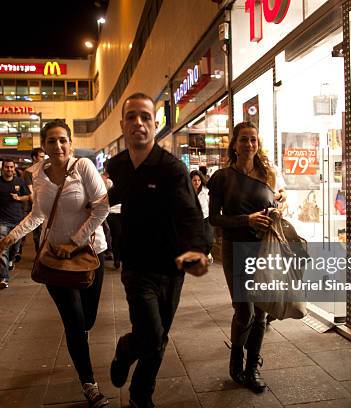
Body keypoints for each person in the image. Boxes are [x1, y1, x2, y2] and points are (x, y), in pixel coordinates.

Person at [0, 120, 110, 407]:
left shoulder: (83, 167)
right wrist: (10, 237)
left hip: (89, 255)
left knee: (88, 320)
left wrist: (76, 240)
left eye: (62, 140)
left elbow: (102, 207)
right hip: (55, 260)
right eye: (51, 141)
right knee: (73, 321)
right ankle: (90, 385)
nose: (57, 146)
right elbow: (37, 215)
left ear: (70, 143)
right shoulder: (38, 176)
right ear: (43, 146)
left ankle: (78, 343)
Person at [107, 93, 210, 408]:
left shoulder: (172, 169)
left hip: (172, 267)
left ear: (154, 124)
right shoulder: (117, 165)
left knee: (160, 337)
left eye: (145, 117)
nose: (138, 122)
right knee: (150, 335)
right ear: (123, 124)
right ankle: (126, 350)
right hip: (137, 267)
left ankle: (141, 395)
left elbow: (191, 215)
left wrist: (197, 250)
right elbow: (115, 197)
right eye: (131, 117)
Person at [207, 121, 286, 394]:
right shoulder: (221, 177)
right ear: (234, 144)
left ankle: (252, 367)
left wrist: (277, 210)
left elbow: (273, 206)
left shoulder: (268, 174)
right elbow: (214, 219)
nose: (249, 144)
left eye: (253, 139)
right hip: (235, 249)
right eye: (243, 139)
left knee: (262, 312)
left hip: (263, 249)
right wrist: (246, 220)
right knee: (244, 311)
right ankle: (236, 355)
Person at [0, 159, 30, 289]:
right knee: (3, 248)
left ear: (14, 169)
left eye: (11, 167)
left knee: (15, 248)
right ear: (2, 168)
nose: (9, 170)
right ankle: (4, 278)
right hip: (2, 220)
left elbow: (28, 196)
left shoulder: (20, 182)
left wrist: (19, 198)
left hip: (18, 220)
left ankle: (11, 260)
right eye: (6, 167)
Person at [23, 147, 46, 252]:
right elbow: (31, 191)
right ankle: (39, 255)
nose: (43, 159)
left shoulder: (45, 170)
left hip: (46, 206)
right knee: (37, 233)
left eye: (44, 156)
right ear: (34, 158)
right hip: (35, 207)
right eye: (41, 157)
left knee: (45, 232)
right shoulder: (28, 172)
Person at [190, 169, 214, 257]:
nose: (197, 182)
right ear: (190, 181)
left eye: (199, 180)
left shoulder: (206, 192)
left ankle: (207, 253)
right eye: (194, 180)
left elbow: (211, 204)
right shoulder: (187, 192)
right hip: (193, 220)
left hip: (206, 219)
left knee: (208, 239)